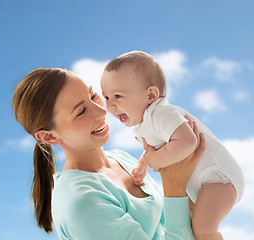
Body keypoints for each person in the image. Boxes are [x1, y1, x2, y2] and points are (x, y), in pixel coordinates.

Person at [12, 67, 206, 240]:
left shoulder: (120, 159)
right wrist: (174, 185)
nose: (101, 111)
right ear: (48, 136)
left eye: (94, 95)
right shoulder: (82, 203)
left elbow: (166, 227)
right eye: (81, 112)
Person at [100, 50, 245, 240]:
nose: (110, 106)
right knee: (189, 225)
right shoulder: (144, 123)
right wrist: (144, 163)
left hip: (219, 179)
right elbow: (158, 147)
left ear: (151, 95)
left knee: (203, 229)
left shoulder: (162, 114)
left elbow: (187, 141)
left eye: (118, 96)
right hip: (203, 183)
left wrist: (154, 160)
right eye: (106, 98)